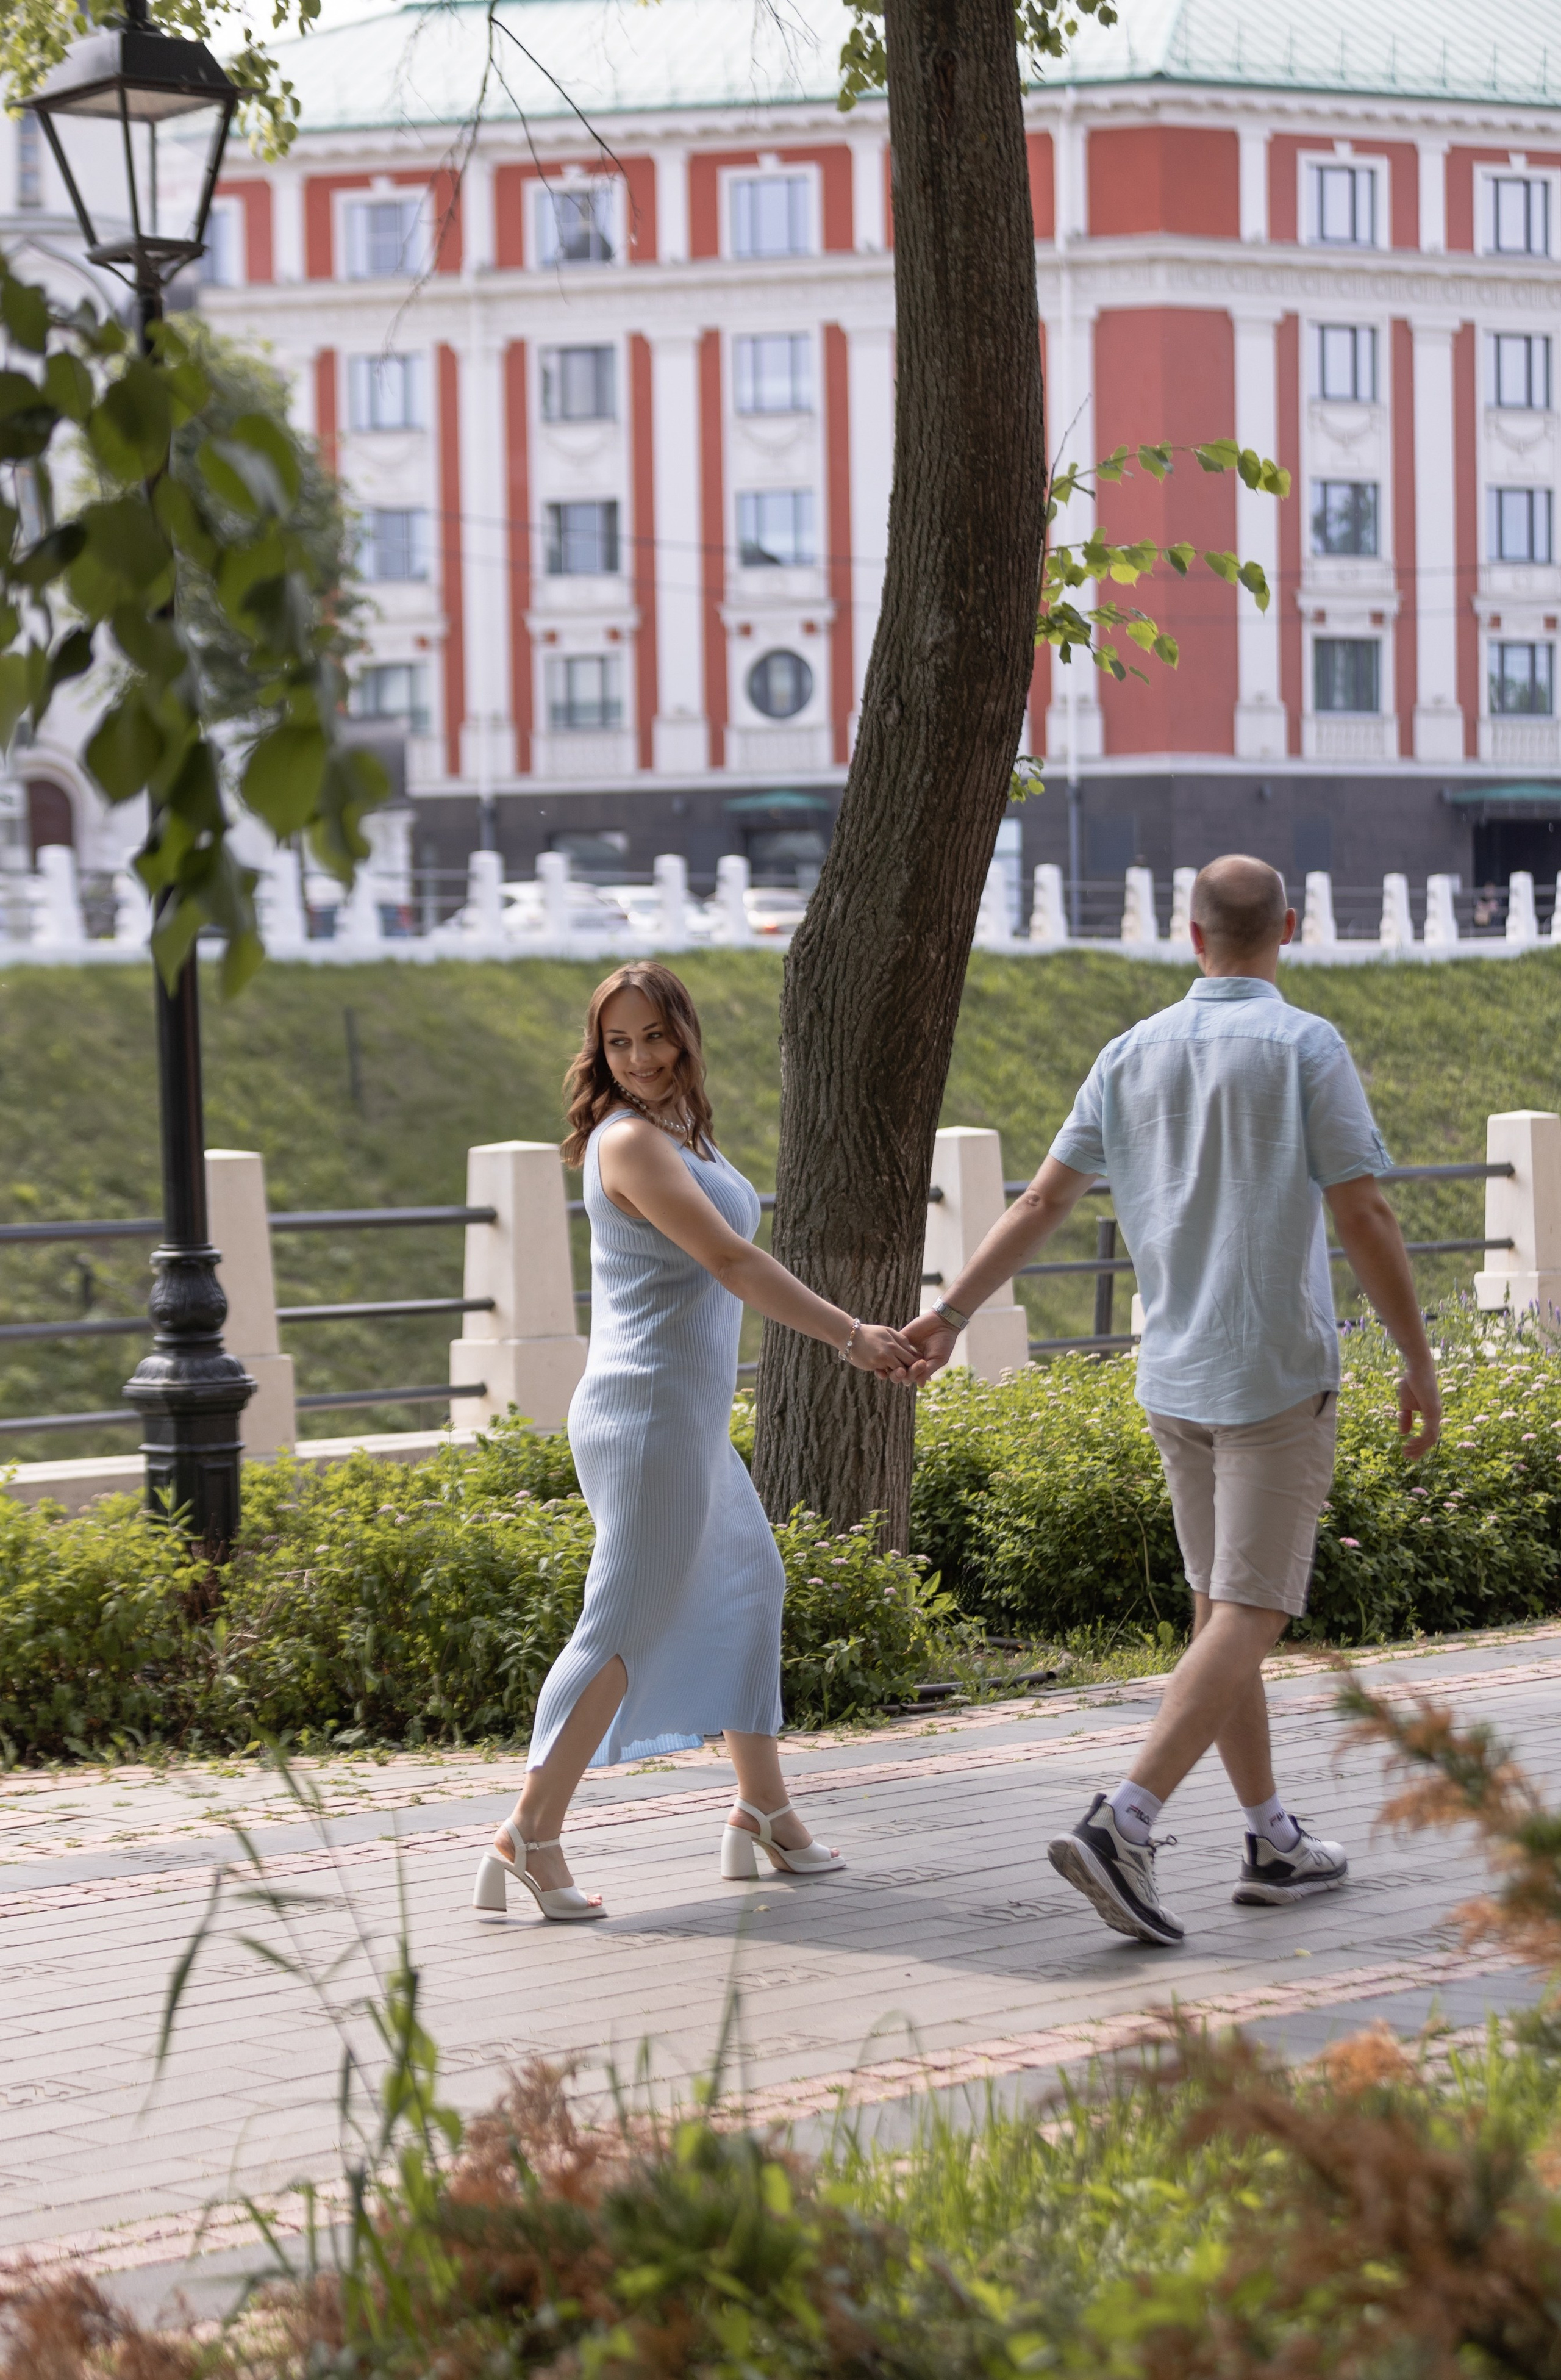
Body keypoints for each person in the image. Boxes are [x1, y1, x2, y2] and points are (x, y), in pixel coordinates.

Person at [901, 855, 1441, 1947]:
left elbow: (1045, 1199)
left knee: (1216, 1611)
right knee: (1256, 1608)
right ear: (1287, 928)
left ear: (1190, 936)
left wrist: (949, 1313)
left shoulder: (1128, 1053)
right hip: (1276, 1372)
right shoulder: (1305, 1046)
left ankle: (1272, 1838)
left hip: (1175, 1374)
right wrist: (1417, 1357)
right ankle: (1125, 1819)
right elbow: (1366, 1216)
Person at [474, 962, 919, 1924]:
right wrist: (854, 1335)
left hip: (683, 1416)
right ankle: (529, 1831)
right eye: (617, 1043)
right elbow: (729, 1259)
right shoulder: (629, 1141)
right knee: (624, 1623)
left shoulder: (682, 1133)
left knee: (754, 1583)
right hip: (646, 1416)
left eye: (653, 1037)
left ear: (685, 1034)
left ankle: (764, 1809)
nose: (636, 1059)